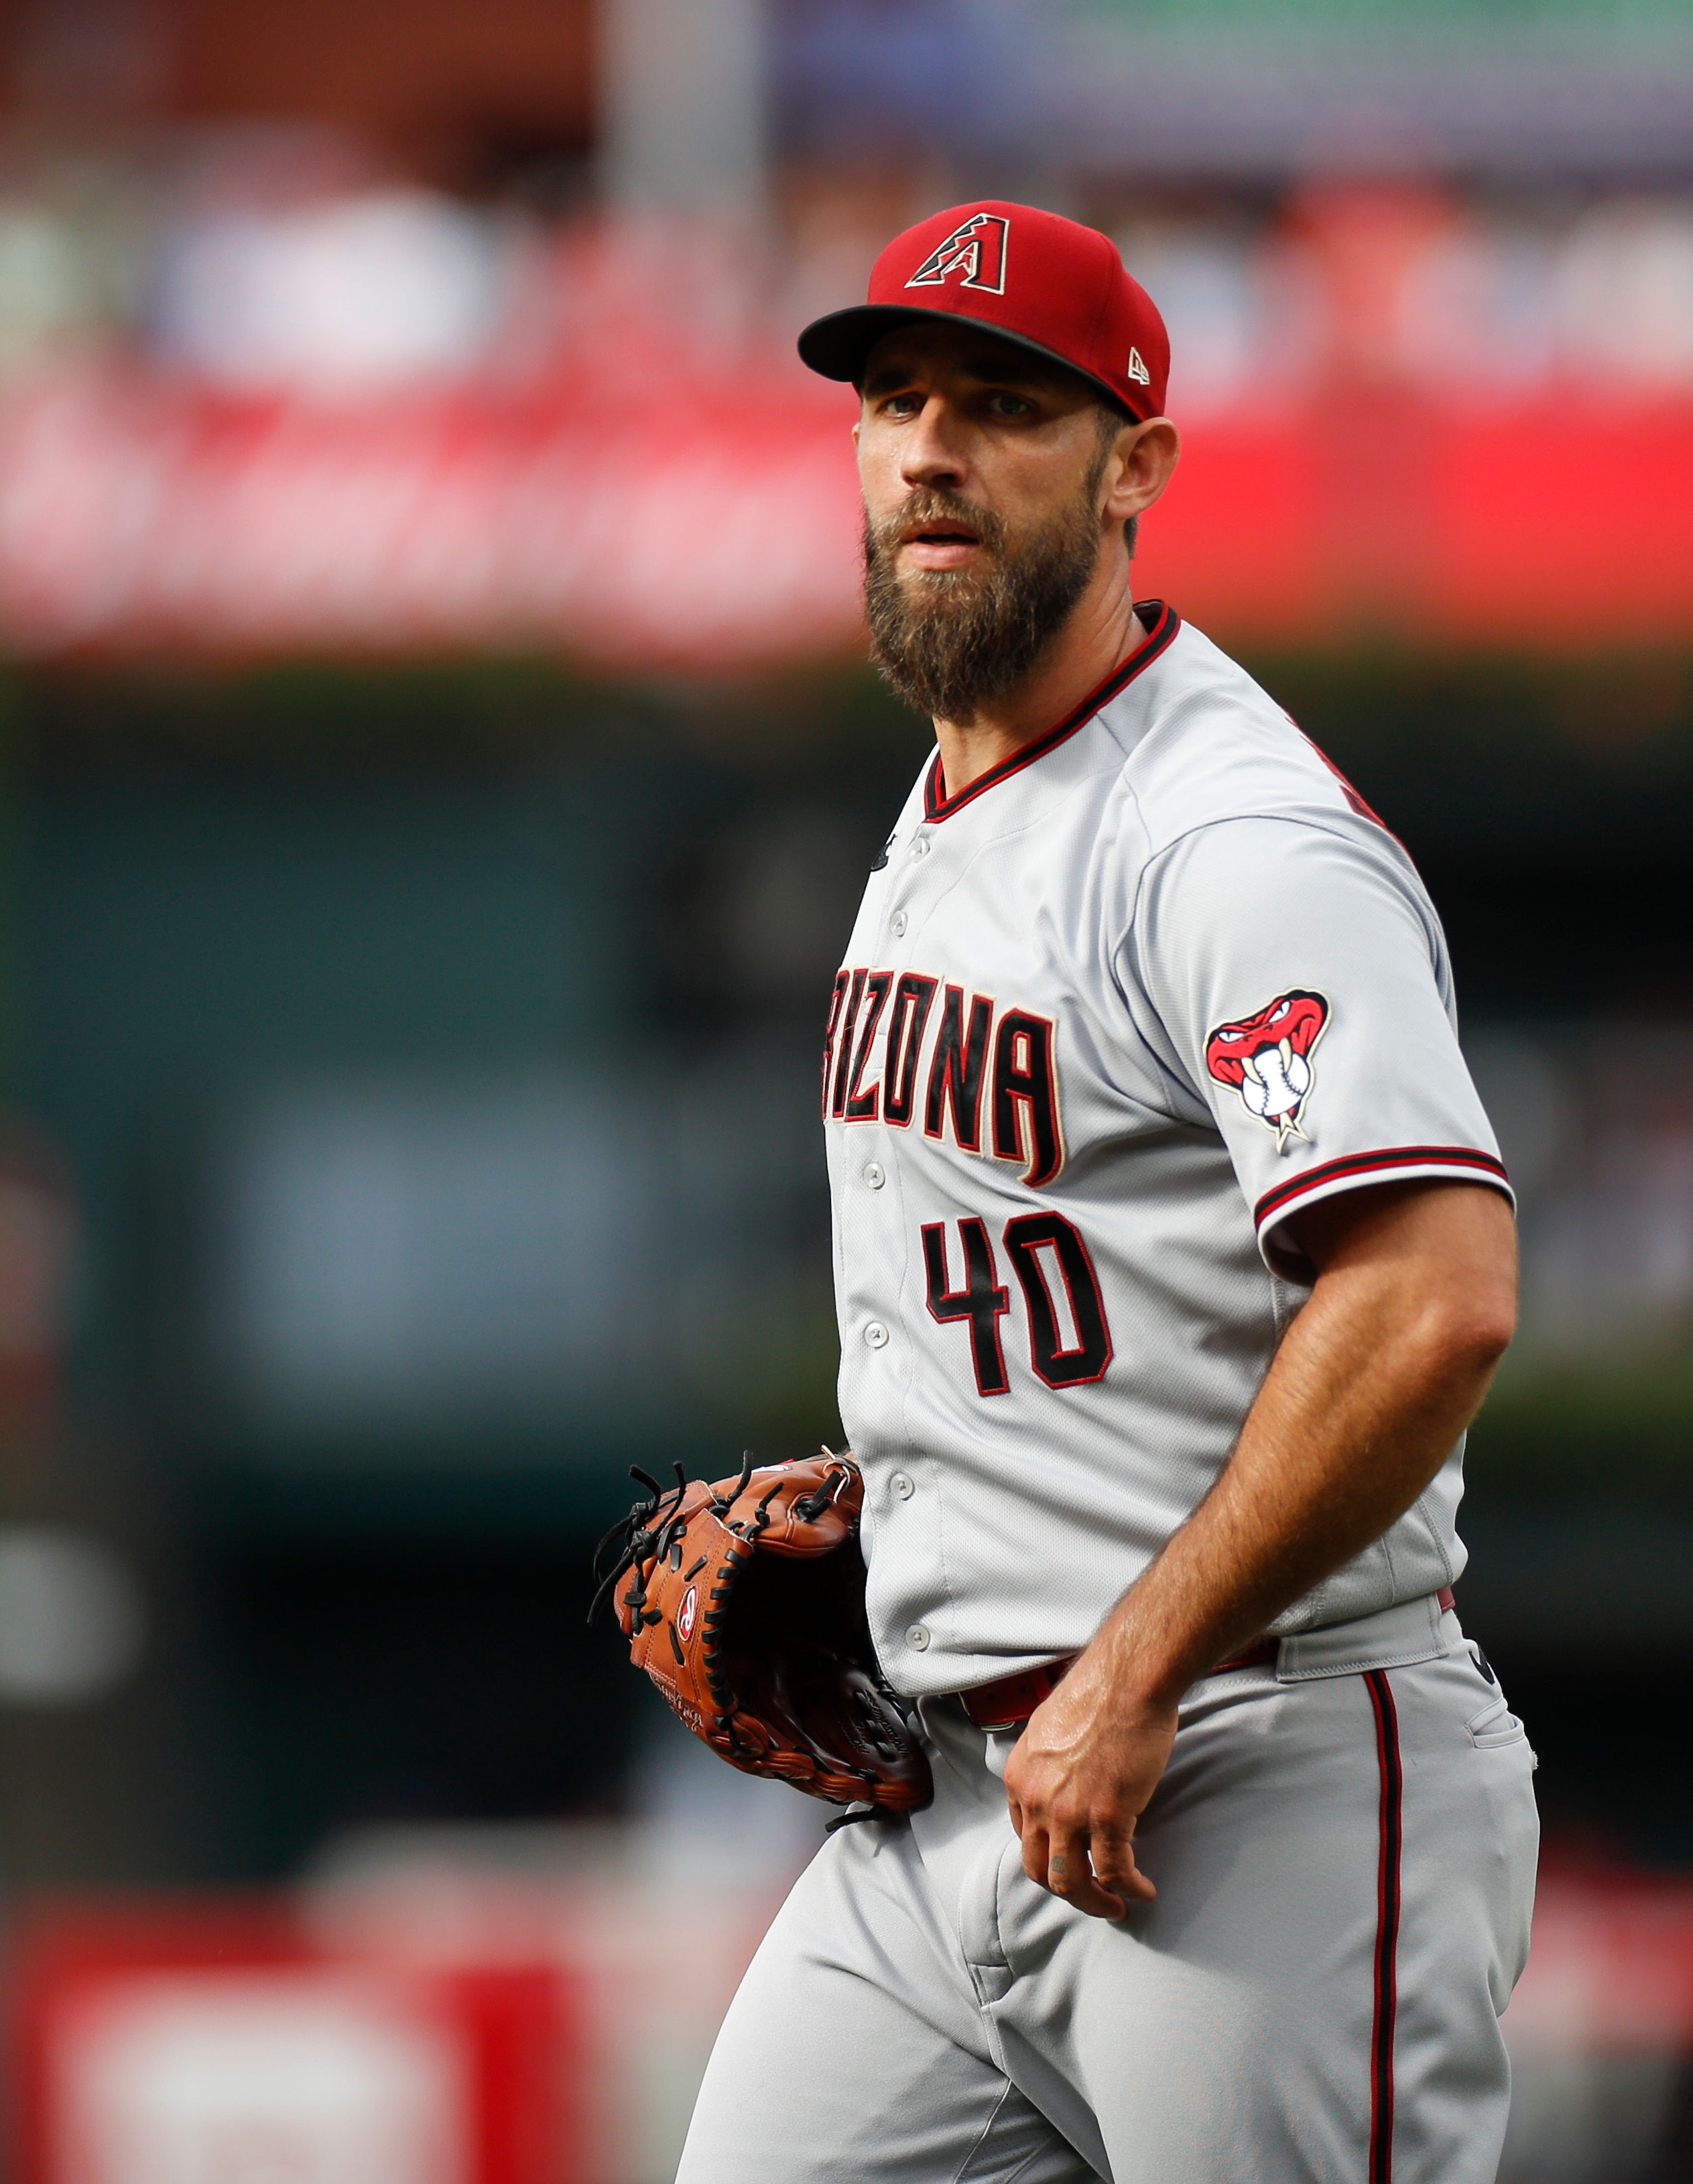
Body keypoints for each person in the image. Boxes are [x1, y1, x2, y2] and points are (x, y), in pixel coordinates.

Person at [674, 200, 1538, 2184]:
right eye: (893, 401)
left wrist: (1130, 1663)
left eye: (1003, 405)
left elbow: (1434, 1293)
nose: (928, 451)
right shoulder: (956, 791)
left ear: (1137, 463)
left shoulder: (1228, 834)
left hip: (1253, 1770)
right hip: (950, 1802)